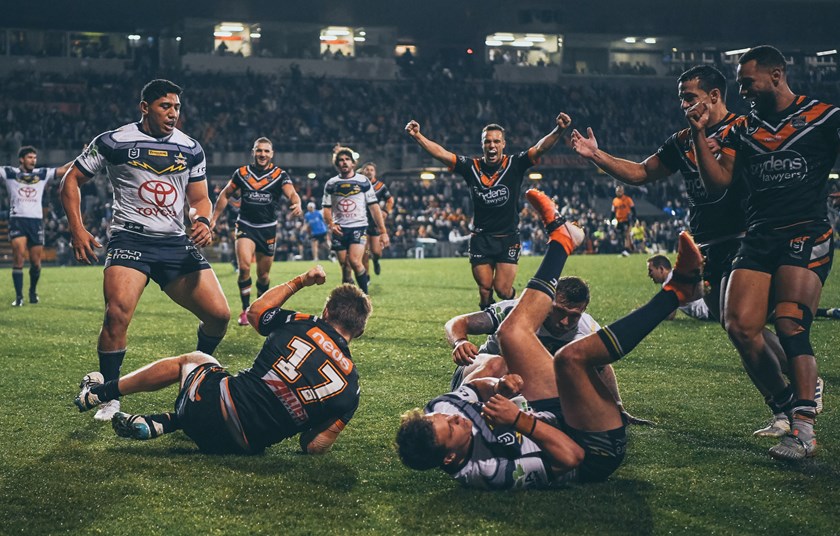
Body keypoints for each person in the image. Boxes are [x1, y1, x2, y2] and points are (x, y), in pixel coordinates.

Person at [396, 189, 704, 488]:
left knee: (509, 333)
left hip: (547, 409)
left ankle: (561, 239)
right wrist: (518, 420)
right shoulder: (486, 470)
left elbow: (477, 386)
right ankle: (675, 293)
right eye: (451, 428)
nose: (456, 419)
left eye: (443, 417)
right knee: (570, 359)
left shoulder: (442, 408)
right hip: (593, 447)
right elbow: (572, 457)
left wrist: (499, 387)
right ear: (450, 458)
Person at [572, 65, 803, 439]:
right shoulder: (681, 140)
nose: (683, 104)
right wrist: (598, 156)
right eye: (681, 97)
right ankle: (791, 393)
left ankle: (791, 398)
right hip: (707, 242)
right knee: (739, 327)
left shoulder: (743, 129)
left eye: (690, 97)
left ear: (714, 96)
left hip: (745, 237)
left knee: (741, 326)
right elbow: (642, 172)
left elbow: (721, 186)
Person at [690, 46, 839, 461]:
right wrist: (700, 134)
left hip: (805, 233)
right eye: (739, 84)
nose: (743, 91)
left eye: (747, 82)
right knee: (738, 325)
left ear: (776, 75)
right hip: (758, 236)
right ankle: (792, 400)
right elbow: (718, 182)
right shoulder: (743, 128)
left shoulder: (825, 117)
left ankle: (804, 431)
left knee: (790, 323)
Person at [60, 79, 231, 422]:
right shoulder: (113, 141)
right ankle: (109, 395)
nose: (173, 114)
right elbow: (71, 180)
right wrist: (77, 229)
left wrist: (203, 220)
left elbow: (199, 198)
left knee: (219, 316)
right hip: (130, 240)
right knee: (117, 314)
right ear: (145, 107)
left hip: (174, 243)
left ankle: (193, 373)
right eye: (165, 106)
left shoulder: (191, 148)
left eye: (177, 107)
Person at [74, 266, 371, 455]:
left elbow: (256, 313)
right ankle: (164, 423)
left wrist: (300, 281)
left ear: (328, 311)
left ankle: (100, 393)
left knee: (196, 359)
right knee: (231, 401)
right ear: (358, 330)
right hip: (244, 446)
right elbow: (315, 446)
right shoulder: (352, 389)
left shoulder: (302, 323)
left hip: (212, 404)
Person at [405, 114, 571, 309]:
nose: (492, 145)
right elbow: (441, 153)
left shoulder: (515, 164)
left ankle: (514, 311)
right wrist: (418, 136)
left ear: (503, 144)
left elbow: (541, 147)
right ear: (482, 145)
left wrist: (559, 130)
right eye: (488, 141)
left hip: (507, 238)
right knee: (485, 288)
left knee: (502, 289)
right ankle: (488, 319)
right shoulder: (471, 167)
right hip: (481, 239)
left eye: (496, 141)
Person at [445, 275, 652, 425]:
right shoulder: (517, 311)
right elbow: (458, 322)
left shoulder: (587, 330)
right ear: (548, 301)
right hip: (476, 376)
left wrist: (617, 407)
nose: (564, 321)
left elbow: (601, 366)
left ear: (584, 309)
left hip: (521, 388)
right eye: (559, 311)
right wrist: (460, 341)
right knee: (500, 363)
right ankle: (455, 410)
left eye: (573, 315)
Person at [210, 137, 302, 326]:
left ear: (272, 154)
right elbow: (226, 194)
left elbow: (291, 192)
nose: (262, 154)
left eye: (266, 151)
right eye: (259, 150)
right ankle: (245, 310)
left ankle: (260, 309)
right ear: (253, 152)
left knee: (263, 275)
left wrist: (297, 202)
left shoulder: (280, 175)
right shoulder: (242, 173)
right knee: (244, 268)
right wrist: (213, 219)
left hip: (267, 230)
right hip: (245, 226)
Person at [1, 146, 72, 306]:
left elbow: (64, 169)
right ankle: (19, 298)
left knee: (35, 262)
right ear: (21, 159)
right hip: (17, 219)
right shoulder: (9, 173)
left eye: (34, 158)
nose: (33, 160)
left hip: (35, 221)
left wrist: (86, 155)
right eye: (30, 158)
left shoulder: (41, 174)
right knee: (18, 258)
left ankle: (32, 291)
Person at [322, 147, 389, 294]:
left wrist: (383, 231)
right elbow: (326, 208)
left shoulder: (363, 182)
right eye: (341, 160)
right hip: (339, 229)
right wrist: (331, 224)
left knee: (354, 261)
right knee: (345, 268)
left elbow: (374, 207)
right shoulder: (331, 184)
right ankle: (348, 299)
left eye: (347, 159)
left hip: (358, 227)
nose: (344, 162)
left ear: (353, 163)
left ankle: (365, 297)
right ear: (337, 165)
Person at [647, 255, 711, 321]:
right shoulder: (676, 275)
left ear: (661, 269)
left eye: (650, 270)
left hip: (709, 311)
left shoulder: (671, 283)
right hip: (711, 306)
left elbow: (669, 316)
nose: (649, 274)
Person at [359, 161, 394, 276]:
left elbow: (390, 200)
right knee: (364, 252)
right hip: (361, 222)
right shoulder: (358, 185)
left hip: (375, 222)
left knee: (376, 251)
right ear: (363, 171)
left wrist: (386, 211)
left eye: (371, 170)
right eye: (367, 169)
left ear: (375, 173)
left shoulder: (380, 186)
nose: (369, 172)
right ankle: (366, 276)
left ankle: (376, 260)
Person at [611, 186, 635, 254]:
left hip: (626, 219)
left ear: (623, 191)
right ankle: (623, 249)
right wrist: (611, 220)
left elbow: (633, 209)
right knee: (620, 235)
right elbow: (613, 212)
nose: (618, 192)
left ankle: (628, 249)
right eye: (617, 191)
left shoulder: (628, 199)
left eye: (620, 191)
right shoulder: (614, 200)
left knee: (626, 234)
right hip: (618, 221)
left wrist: (633, 218)